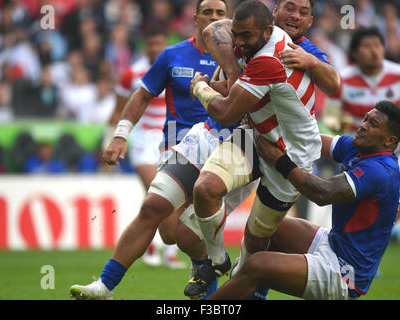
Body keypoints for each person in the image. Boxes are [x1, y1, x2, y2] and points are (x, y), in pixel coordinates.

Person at [69, 0, 229, 300]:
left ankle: (209, 290)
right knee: (168, 230)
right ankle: (106, 287)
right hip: (177, 147)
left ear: (228, 19)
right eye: (207, 11)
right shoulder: (172, 55)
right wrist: (120, 135)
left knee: (181, 230)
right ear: (195, 17)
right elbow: (142, 95)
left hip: (224, 151)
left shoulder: (238, 58)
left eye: (220, 13)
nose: (213, 17)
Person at [184, 0, 339, 298]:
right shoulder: (271, 35)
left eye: (245, 37)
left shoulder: (271, 59)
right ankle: (216, 261)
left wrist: (200, 87)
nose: (239, 43)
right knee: (205, 190)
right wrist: (231, 71)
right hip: (256, 138)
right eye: (237, 35)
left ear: (267, 30)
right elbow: (217, 28)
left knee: (255, 245)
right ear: (276, 15)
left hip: (290, 158)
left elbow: (227, 112)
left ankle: (246, 294)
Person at [207, 101, 400, 300]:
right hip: (334, 243)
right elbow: (309, 141)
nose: (363, 125)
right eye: (366, 119)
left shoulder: (380, 170)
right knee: (267, 230)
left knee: (255, 266)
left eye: (373, 124)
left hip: (346, 273)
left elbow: (323, 193)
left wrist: (279, 161)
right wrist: (265, 126)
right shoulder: (358, 147)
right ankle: (250, 293)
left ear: (389, 141)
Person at [323, 27, 400, 220]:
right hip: (355, 148)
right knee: (350, 204)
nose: (374, 51)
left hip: (391, 150)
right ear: (355, 53)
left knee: (394, 209)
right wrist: (338, 123)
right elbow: (329, 117)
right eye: (367, 46)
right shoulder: (342, 78)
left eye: (377, 45)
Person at [109, 29, 185, 269]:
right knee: (156, 190)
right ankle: (152, 249)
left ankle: (168, 253)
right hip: (142, 139)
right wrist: (114, 137)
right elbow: (120, 107)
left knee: (169, 194)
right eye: (151, 43)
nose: (155, 48)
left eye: (159, 42)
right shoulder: (131, 74)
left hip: (168, 138)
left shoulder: (175, 68)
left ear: (166, 45)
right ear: (145, 47)